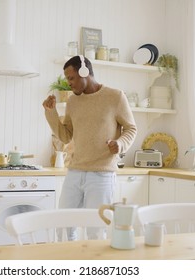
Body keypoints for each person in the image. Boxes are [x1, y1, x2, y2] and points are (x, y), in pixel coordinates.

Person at [42, 55, 137, 240]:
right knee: (63, 227)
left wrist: (120, 143)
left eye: (71, 78)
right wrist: (50, 113)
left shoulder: (115, 96)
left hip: (102, 175)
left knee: (96, 229)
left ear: (84, 72)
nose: (69, 83)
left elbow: (131, 128)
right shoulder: (73, 102)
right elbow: (65, 135)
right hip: (75, 172)